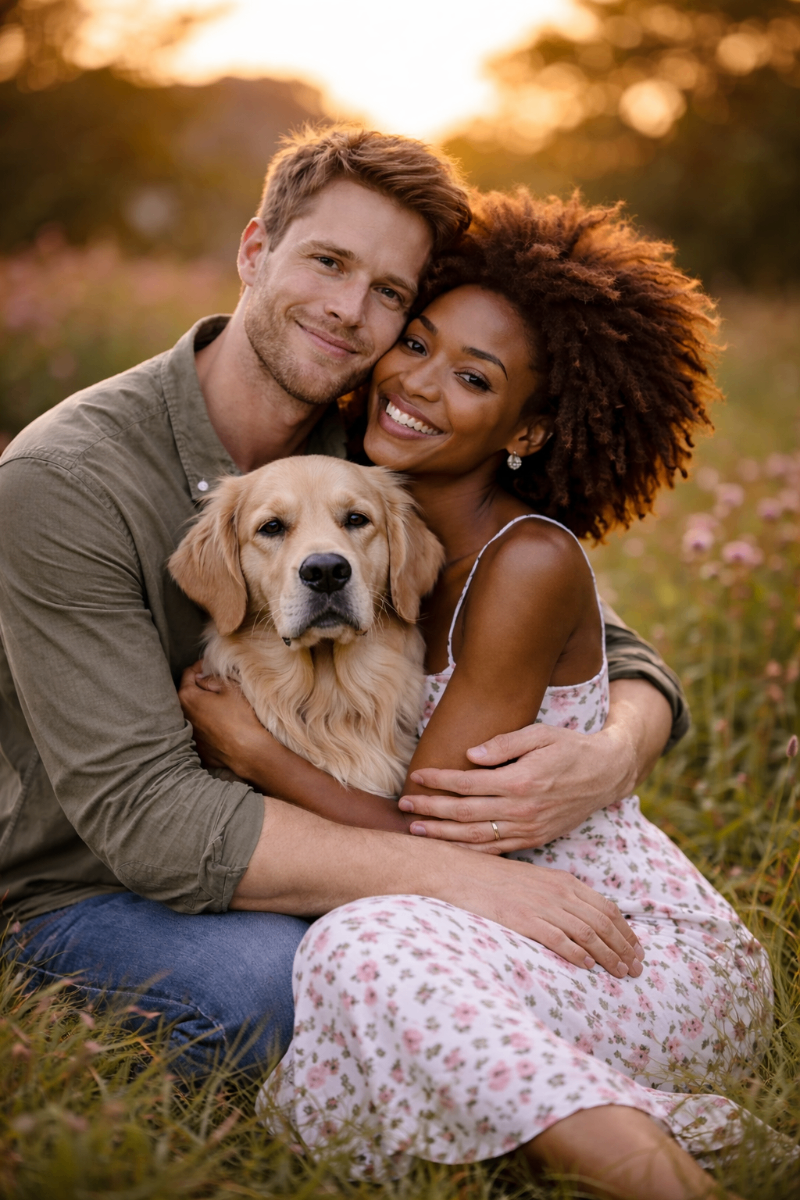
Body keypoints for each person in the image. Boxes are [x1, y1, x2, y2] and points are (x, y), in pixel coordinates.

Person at [1, 127, 684, 1079]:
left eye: (389, 294)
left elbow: (588, 625)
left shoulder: (368, 442)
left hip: (321, 840)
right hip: (90, 884)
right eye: (327, 261)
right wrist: (460, 879)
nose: (348, 312)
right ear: (253, 251)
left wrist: (614, 752)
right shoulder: (63, 482)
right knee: (286, 989)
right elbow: (149, 824)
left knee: (400, 973)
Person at [210, 190, 769, 1199]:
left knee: (354, 944)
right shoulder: (355, 506)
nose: (415, 384)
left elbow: (425, 842)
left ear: (530, 425)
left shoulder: (524, 564)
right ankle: (547, 1127)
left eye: (472, 378)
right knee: (348, 962)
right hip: (485, 924)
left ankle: (665, 1179)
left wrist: (254, 754)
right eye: (414, 342)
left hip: (622, 945)